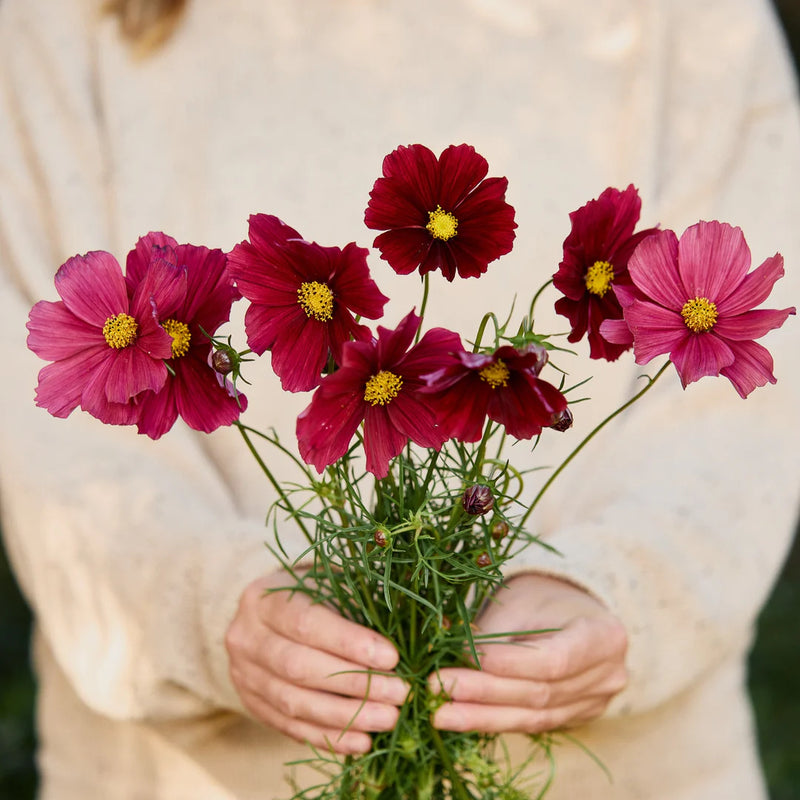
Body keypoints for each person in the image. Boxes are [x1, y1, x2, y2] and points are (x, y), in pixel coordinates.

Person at [0, 0, 798, 798]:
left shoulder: (692, 18)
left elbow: (749, 419)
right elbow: (48, 443)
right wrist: (213, 607)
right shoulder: (61, 20)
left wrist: (614, 592)